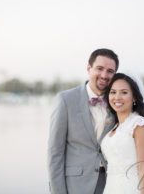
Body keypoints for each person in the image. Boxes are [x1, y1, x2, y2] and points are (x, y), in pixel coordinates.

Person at [47, 49, 120, 194]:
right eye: (99, 68)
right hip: (75, 185)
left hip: (111, 184)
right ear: (88, 68)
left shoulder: (117, 102)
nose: (104, 75)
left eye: (110, 71)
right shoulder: (65, 100)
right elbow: (55, 153)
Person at [101, 73, 144, 194]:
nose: (117, 97)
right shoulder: (115, 127)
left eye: (124, 92)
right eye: (113, 92)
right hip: (111, 188)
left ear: (134, 97)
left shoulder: (139, 125)